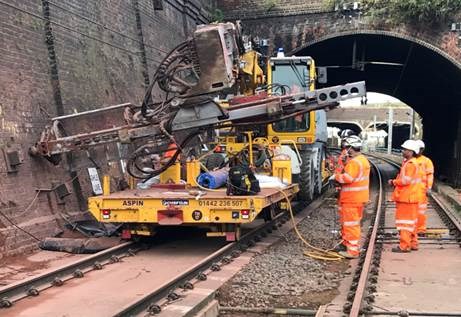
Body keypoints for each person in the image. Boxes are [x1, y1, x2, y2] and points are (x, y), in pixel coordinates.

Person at [333, 135, 370, 259]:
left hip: (351, 199)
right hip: (357, 198)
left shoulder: (354, 162)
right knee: (348, 224)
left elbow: (347, 178)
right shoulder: (362, 160)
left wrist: (336, 177)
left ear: (350, 148)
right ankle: (345, 244)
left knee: (351, 225)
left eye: (346, 147)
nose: (344, 150)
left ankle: (352, 251)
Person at [388, 140, 423, 253]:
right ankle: (413, 243)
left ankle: (404, 246)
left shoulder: (411, 164)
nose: (403, 151)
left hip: (407, 198)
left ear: (412, 152)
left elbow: (405, 181)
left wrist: (394, 182)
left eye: (406, 150)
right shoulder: (411, 163)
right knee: (411, 223)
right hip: (410, 197)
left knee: (405, 223)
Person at [415, 140, 434, 235]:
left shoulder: (427, 161)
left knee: (421, 211)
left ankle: (421, 229)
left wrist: (429, 187)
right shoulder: (409, 160)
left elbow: (430, 175)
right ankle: (412, 229)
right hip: (411, 191)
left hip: (421, 191)